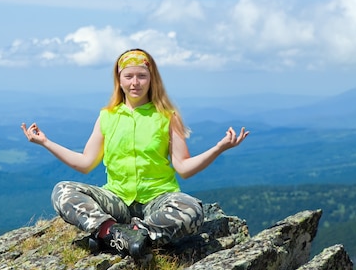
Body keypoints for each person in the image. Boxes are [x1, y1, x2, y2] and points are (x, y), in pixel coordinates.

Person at [21, 48, 249, 258]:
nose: (135, 83)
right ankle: (116, 233)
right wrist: (46, 142)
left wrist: (220, 148)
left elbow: (184, 168)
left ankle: (123, 235)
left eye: (142, 76)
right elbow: (85, 163)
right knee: (62, 191)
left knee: (192, 209)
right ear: (119, 80)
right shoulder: (107, 116)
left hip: (158, 199)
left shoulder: (167, 116)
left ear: (152, 80)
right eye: (128, 76)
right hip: (116, 199)